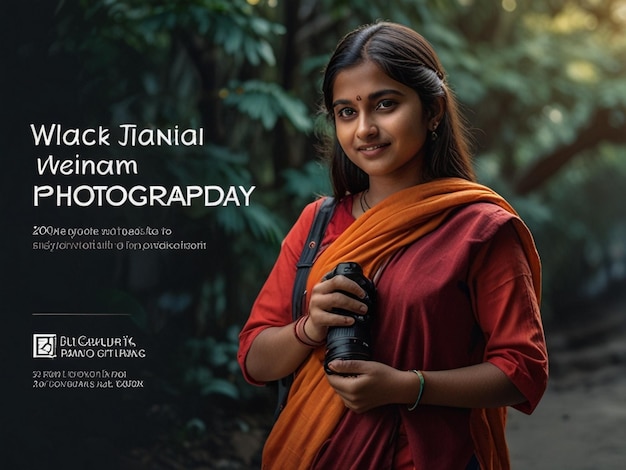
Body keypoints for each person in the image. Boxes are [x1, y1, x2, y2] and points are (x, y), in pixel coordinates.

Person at [238, 21, 548, 470]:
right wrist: (310, 327)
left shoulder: (481, 229)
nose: (364, 129)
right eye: (346, 112)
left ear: (433, 110)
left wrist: (407, 386)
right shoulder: (316, 223)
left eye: (385, 104)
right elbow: (254, 357)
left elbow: (522, 371)